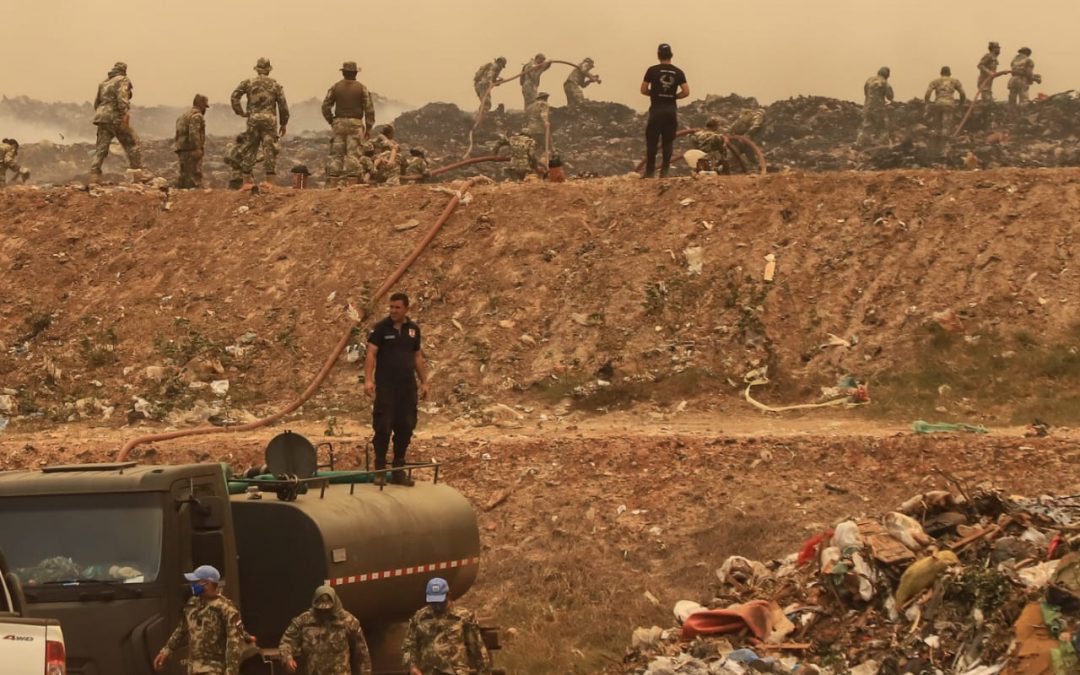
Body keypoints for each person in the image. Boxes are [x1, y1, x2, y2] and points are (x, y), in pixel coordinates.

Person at [364, 293, 429, 486]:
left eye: (397, 307)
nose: (393, 311)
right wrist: (368, 380)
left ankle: (398, 470)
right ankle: (381, 470)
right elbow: (371, 354)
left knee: (406, 426)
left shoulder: (413, 330)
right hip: (386, 387)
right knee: (383, 427)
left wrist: (424, 382)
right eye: (391, 307)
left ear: (407, 309)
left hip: (407, 388)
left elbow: (417, 357)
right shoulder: (381, 328)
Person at [154, 565, 250, 674]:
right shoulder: (192, 603)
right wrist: (166, 651)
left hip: (214, 669)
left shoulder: (226, 609)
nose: (192, 585)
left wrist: (231, 672)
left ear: (207, 584)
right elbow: (181, 630)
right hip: (193, 669)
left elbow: (233, 644)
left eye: (195, 582)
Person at [402, 577, 491, 675]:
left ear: (448, 595)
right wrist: (412, 666)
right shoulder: (419, 618)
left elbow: (477, 649)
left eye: (439, 600)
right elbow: (409, 646)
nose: (436, 604)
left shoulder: (463, 617)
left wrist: (484, 672)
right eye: (433, 601)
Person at [279, 586, 372, 675]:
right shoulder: (304, 621)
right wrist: (287, 658)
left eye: (328, 609)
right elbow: (287, 641)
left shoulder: (348, 622)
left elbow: (362, 655)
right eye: (320, 609)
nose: (324, 612)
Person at [228, 57, 290, 189]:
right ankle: (270, 182)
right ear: (268, 70)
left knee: (251, 147)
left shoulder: (248, 82)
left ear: (257, 69)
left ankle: (247, 182)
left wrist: (240, 112)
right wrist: (284, 123)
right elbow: (283, 105)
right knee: (269, 148)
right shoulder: (275, 85)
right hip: (269, 120)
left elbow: (235, 96)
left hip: (253, 119)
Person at [322, 61, 376, 187]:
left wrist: (331, 120)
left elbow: (325, 106)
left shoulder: (335, 87)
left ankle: (332, 186)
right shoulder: (362, 88)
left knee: (337, 154)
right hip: (355, 124)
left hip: (339, 123)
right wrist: (368, 128)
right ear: (355, 73)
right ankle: (352, 187)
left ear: (343, 73)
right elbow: (369, 109)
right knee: (353, 155)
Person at [89, 61, 143, 183]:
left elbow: (97, 103)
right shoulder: (123, 80)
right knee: (133, 143)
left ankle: (94, 175)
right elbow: (122, 97)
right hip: (115, 117)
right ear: (124, 70)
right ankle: (137, 174)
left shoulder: (103, 83)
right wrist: (124, 114)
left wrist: (103, 114)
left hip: (102, 118)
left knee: (101, 149)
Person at [641, 43, 689, 178]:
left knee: (652, 142)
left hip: (656, 111)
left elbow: (643, 90)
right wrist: (673, 96)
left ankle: (649, 172)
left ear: (658, 55)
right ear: (671, 55)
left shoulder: (652, 70)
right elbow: (686, 92)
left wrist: (655, 94)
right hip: (670, 111)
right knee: (668, 142)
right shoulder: (678, 72)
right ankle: (664, 172)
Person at [174, 94, 209, 189]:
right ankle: (193, 196)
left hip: (182, 149)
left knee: (184, 175)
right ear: (201, 105)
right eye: (205, 106)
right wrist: (197, 148)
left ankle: (182, 195)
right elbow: (194, 133)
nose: (205, 109)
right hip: (191, 150)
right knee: (194, 176)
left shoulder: (183, 115)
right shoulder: (197, 116)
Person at [924, 67, 967, 139]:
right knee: (946, 126)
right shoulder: (955, 81)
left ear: (941, 73)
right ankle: (945, 144)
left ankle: (936, 144)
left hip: (938, 103)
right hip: (949, 104)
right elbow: (962, 94)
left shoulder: (935, 81)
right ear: (950, 73)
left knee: (937, 126)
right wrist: (961, 104)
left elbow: (927, 94)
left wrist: (927, 103)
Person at [856, 66, 894, 147]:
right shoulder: (884, 82)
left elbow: (865, 92)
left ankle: (861, 143)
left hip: (867, 107)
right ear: (887, 75)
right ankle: (882, 144)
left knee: (866, 126)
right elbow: (890, 96)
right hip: (878, 109)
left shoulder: (869, 80)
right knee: (883, 126)